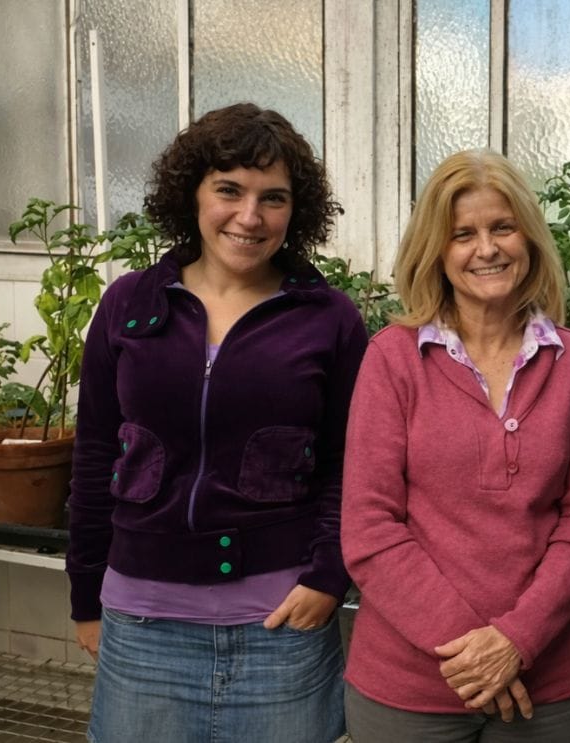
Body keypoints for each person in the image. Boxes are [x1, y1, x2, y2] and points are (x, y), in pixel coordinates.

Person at [66, 103, 367, 742]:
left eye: (273, 198)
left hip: (282, 628)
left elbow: (351, 462)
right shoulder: (129, 304)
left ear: (297, 210)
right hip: (143, 625)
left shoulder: (328, 318)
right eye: (229, 189)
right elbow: (94, 456)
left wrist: (326, 577)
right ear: (193, 193)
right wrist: (85, 594)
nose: (249, 217)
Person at [341, 149, 570, 742]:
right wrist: (479, 654)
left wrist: (517, 639)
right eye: (462, 234)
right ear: (436, 251)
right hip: (409, 690)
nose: (486, 249)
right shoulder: (392, 359)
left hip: (550, 686)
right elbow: (370, 529)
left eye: (502, 228)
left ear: (529, 237)